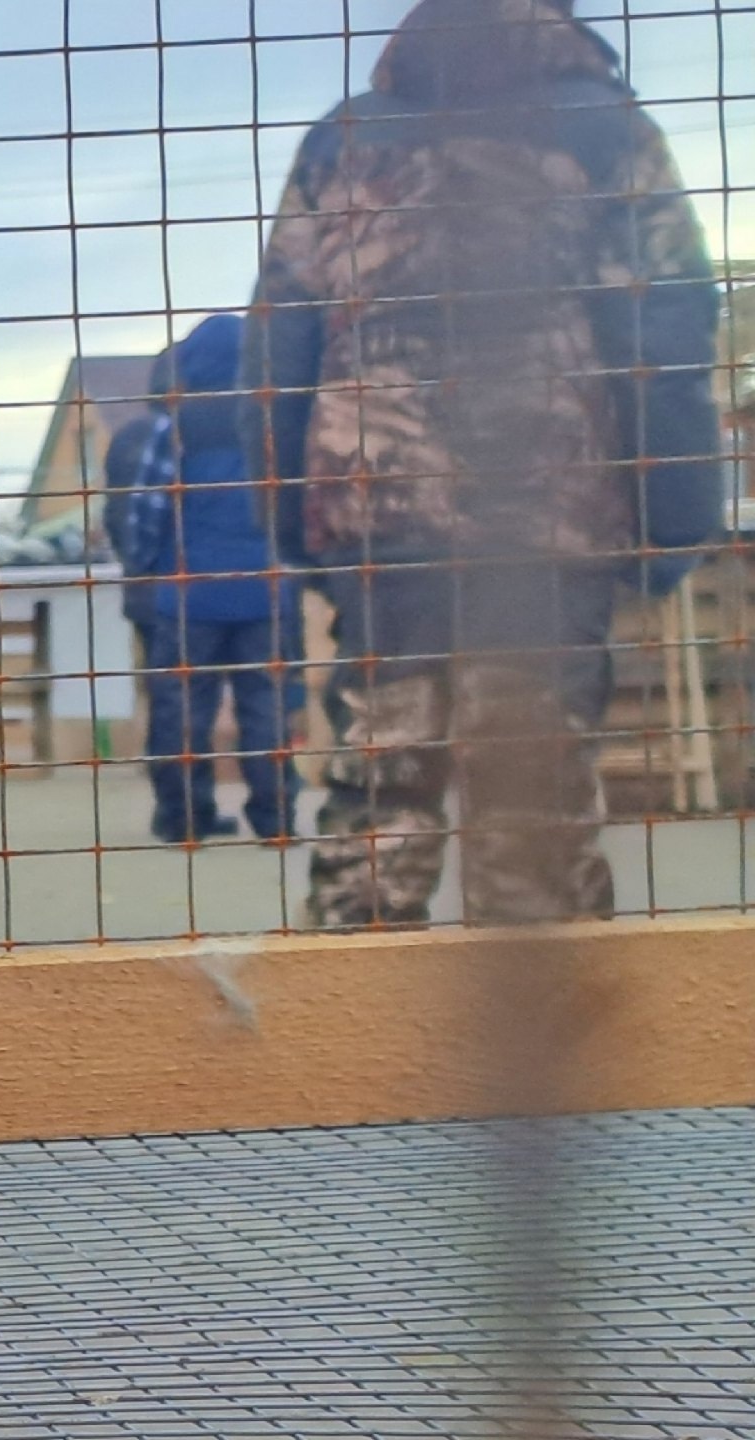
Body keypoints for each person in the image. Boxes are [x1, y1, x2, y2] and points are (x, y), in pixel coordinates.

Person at [242, 0, 723, 927]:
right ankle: (552, 1035)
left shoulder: (345, 137)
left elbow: (278, 341)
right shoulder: (605, 128)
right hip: (549, 505)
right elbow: (663, 329)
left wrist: (290, 511)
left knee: (383, 778)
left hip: (382, 502)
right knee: (531, 788)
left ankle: (357, 1031)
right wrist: (675, 510)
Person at [103, 314, 305, 845]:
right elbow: (293, 504)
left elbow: (146, 511)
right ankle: (275, 818)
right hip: (264, 590)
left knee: (182, 710)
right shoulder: (270, 425)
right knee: (267, 705)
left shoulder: (175, 429)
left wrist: (148, 568)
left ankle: (183, 816)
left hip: (189, 594)